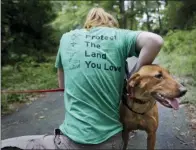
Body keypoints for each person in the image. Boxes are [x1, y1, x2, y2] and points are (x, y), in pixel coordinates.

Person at [1, 7, 163, 149]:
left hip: (70, 143)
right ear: (111, 25)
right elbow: (155, 41)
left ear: (88, 23)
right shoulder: (118, 36)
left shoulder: (67, 37)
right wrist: (132, 77)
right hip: (112, 143)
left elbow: (62, 86)